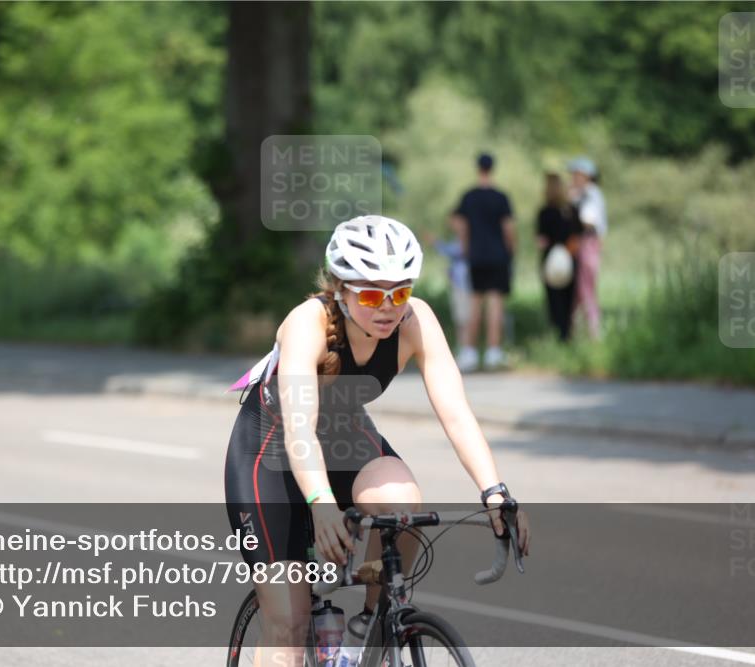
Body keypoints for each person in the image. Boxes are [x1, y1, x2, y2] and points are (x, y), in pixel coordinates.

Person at [224, 216, 530, 667]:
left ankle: (369, 628)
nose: (387, 307)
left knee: (403, 504)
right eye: (371, 294)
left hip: (346, 436)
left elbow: (456, 412)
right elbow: (300, 429)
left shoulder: (415, 320)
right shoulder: (307, 323)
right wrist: (321, 501)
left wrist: (494, 490)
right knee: (289, 619)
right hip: (269, 451)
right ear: (340, 289)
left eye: (400, 292)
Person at [451, 153, 516, 371]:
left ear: (478, 168)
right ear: (493, 168)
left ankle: (469, 351)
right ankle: (493, 352)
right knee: (495, 304)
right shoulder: (501, 197)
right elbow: (509, 229)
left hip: (476, 256)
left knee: (475, 303)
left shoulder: (469, 196)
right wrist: (511, 252)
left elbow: (459, 224)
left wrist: (467, 247)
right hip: (498, 256)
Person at [536, 173, 583, 341]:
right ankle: (567, 335)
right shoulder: (571, 211)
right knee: (568, 301)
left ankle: (558, 335)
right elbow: (577, 238)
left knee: (554, 302)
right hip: (569, 259)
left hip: (550, 262)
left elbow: (541, 241)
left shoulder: (544, 212)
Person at [567, 157, 608, 339]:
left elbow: (588, 221)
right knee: (578, 292)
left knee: (586, 289)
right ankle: (577, 334)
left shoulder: (590, 194)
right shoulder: (586, 194)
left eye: (577, 174)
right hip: (582, 244)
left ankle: (593, 333)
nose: (574, 178)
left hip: (587, 244)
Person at [425, 219, 472, 348]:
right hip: (459, 284)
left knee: (465, 319)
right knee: (460, 319)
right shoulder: (460, 239)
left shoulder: (467, 240)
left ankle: (466, 348)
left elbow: (453, 251)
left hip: (464, 286)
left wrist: (436, 242)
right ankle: (463, 347)